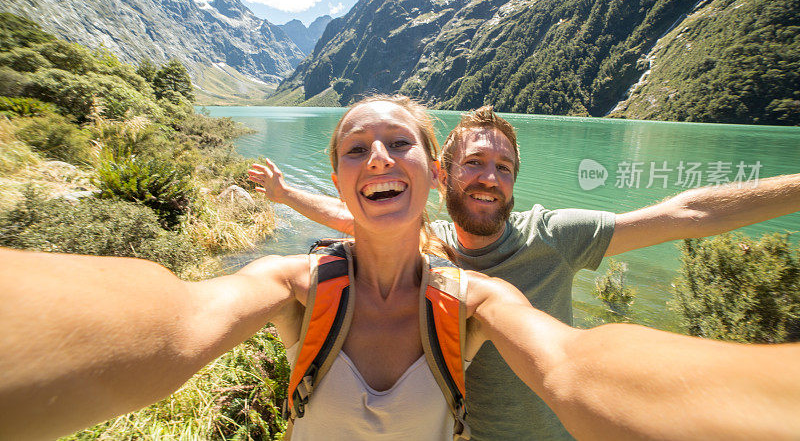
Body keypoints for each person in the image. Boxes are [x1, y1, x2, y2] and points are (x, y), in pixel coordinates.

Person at [2, 95, 800, 440]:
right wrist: (288, 195)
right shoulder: (301, 283)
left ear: (428, 174)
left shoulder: (483, 283)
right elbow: (175, 318)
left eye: (399, 143)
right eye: (357, 147)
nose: (379, 156)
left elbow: (575, 362)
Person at [248, 105, 800, 440]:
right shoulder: (426, 243)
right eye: (475, 164)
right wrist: (283, 193)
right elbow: (353, 212)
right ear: (441, 176)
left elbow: (687, 213)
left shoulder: (556, 235)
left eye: (504, 168)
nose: (490, 178)